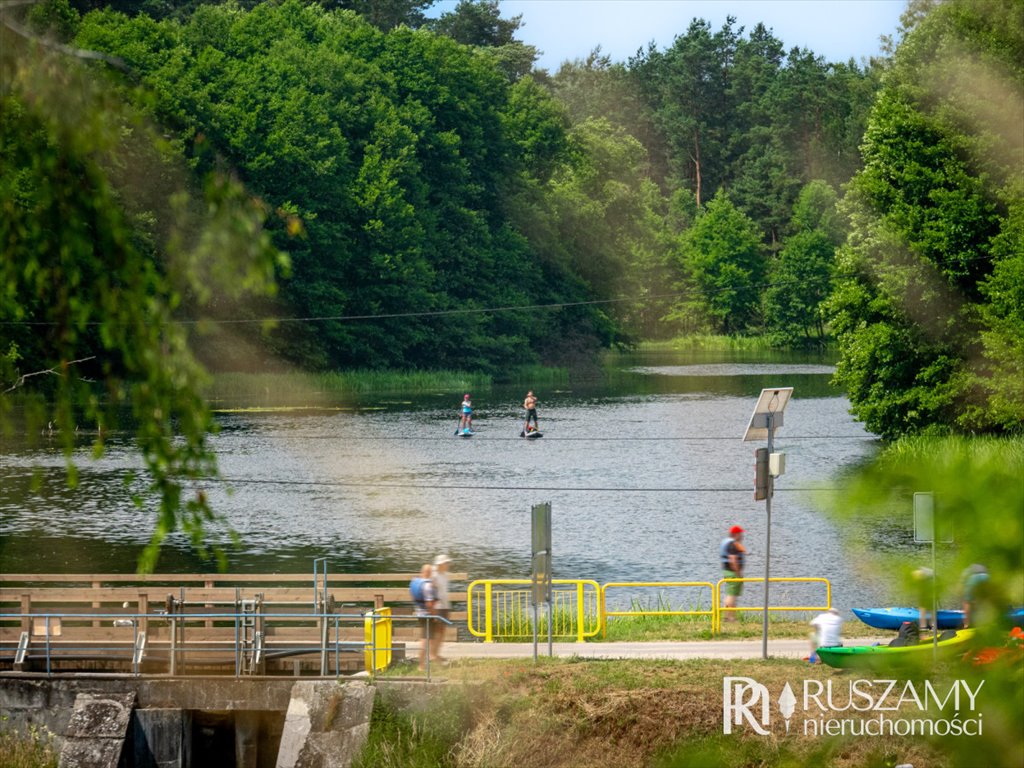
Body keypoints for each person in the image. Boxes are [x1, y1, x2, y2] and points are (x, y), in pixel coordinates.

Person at [411, 564, 437, 671]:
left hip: (419, 613)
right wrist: (434, 615)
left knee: (429, 639)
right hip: (427, 615)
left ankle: (433, 658)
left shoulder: (415, 582)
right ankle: (421, 665)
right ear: (429, 573)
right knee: (425, 640)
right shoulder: (427, 586)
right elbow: (429, 604)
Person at [720, 525, 746, 622]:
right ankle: (729, 618)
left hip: (729, 572)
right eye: (740, 534)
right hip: (733, 573)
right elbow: (733, 559)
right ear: (736, 534)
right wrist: (738, 573)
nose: (742, 536)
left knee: (731, 594)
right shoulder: (732, 544)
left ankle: (729, 617)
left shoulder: (728, 543)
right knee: (731, 595)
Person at [431, 554, 453, 664]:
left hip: (444, 606)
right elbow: (430, 592)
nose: (448, 565)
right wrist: (432, 608)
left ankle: (436, 653)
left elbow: (444, 592)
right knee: (436, 631)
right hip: (436, 607)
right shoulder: (433, 575)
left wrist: (448, 607)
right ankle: (432, 655)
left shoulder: (445, 575)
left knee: (442, 631)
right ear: (440, 564)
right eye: (446, 563)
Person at [961, 564, 990, 628]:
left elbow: (962, 587)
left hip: (973, 577)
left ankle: (966, 624)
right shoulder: (981, 566)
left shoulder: (965, 570)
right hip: (986, 577)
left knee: (967, 602)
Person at [912, 566, 935, 631]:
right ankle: (933, 626)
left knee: (922, 608)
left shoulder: (917, 573)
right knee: (932, 608)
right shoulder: (929, 572)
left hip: (927, 589)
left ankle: (923, 626)